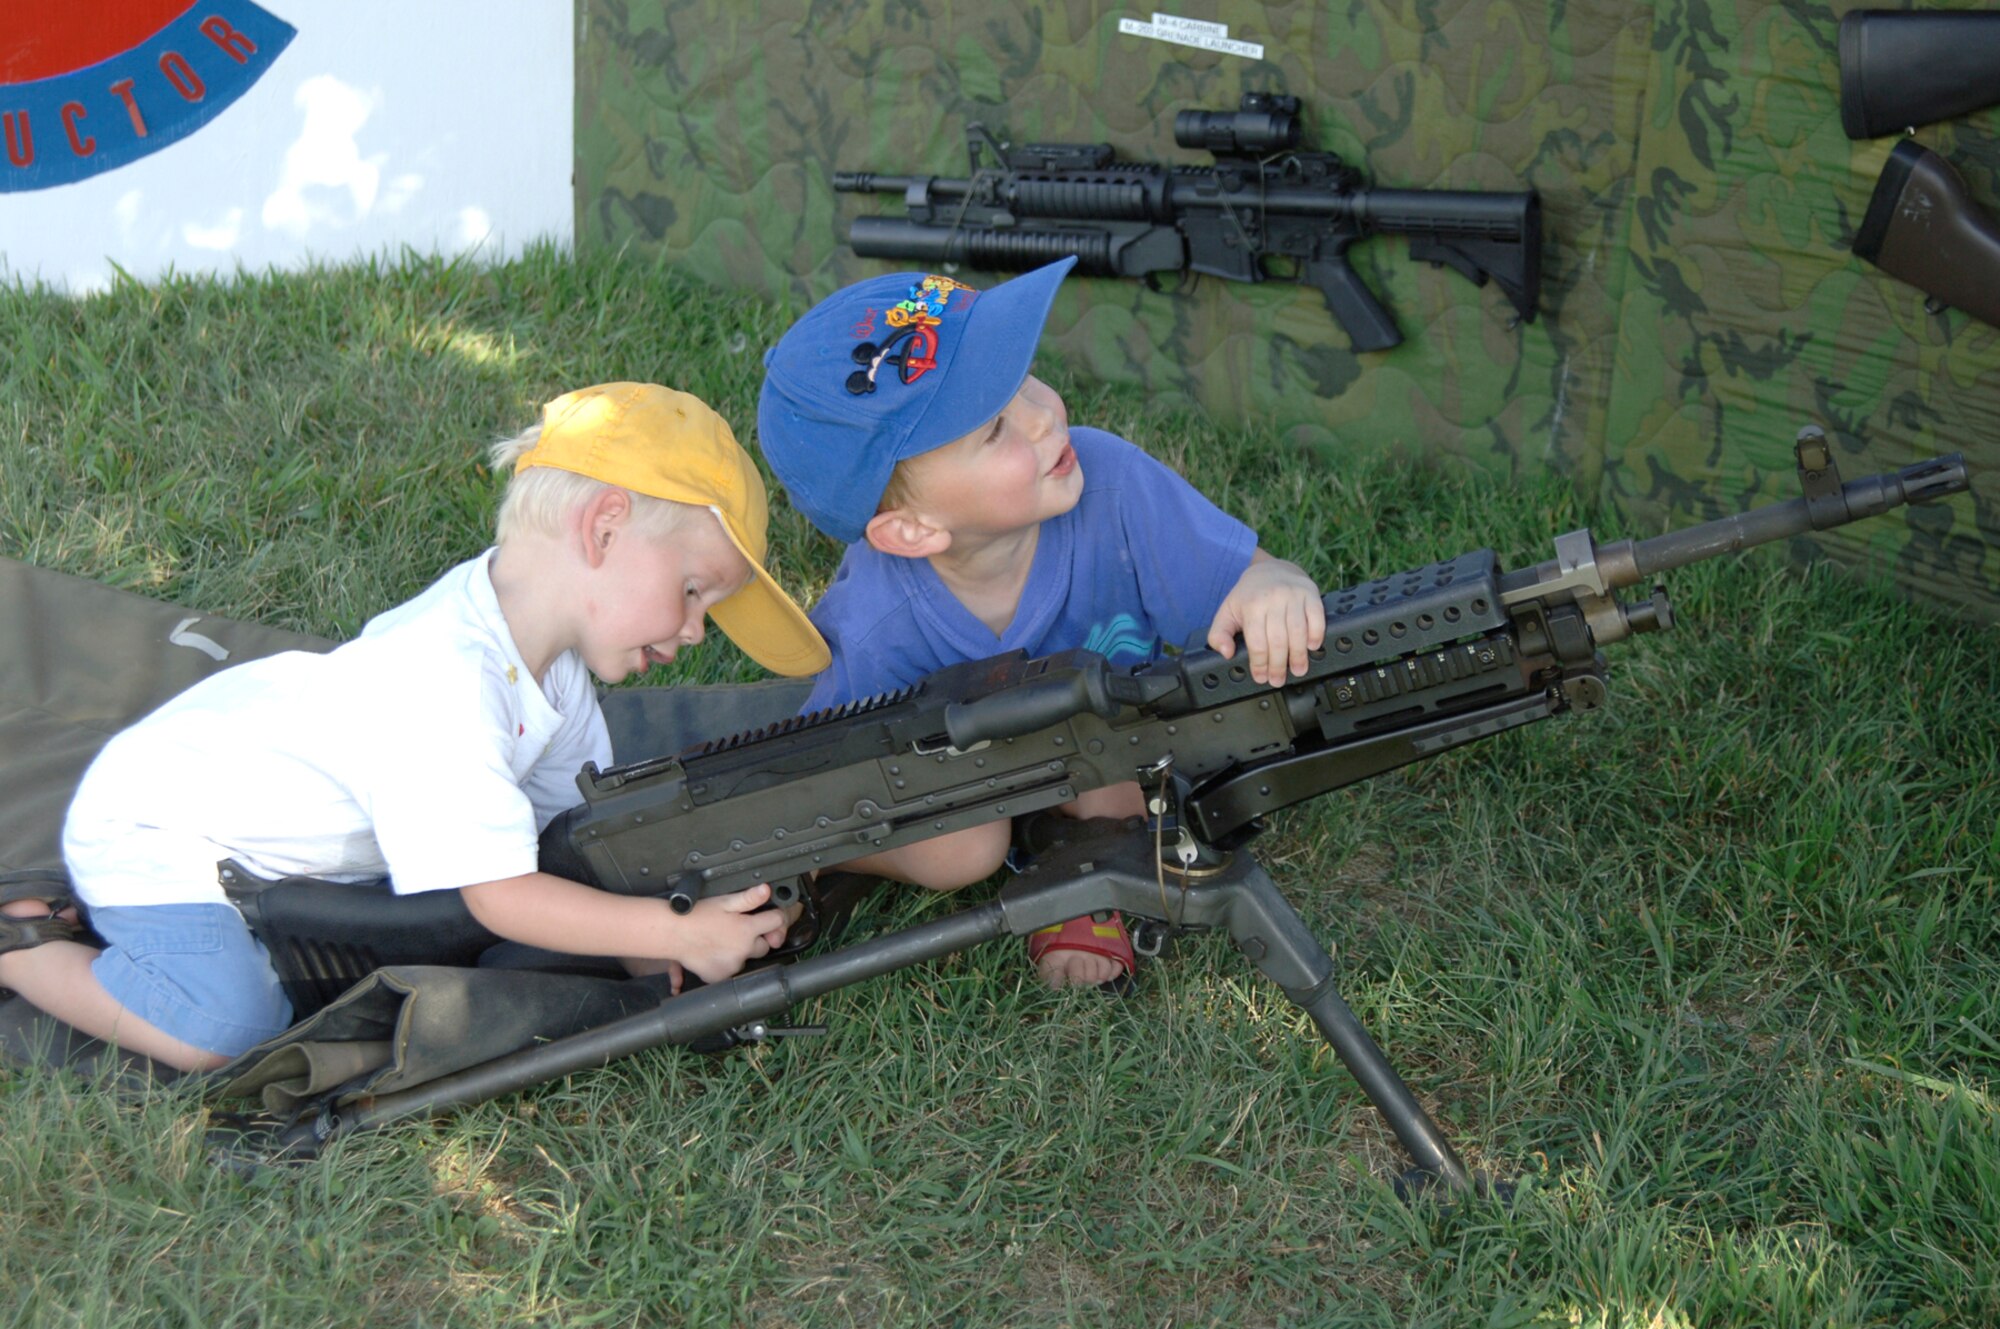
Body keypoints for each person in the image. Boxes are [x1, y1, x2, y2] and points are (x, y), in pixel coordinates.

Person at [0, 382, 830, 1072]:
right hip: (155, 824)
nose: (694, 631)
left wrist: (655, 941)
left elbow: (571, 834)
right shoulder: (447, 682)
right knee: (229, 1027)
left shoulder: (552, 667)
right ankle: (26, 945)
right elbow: (500, 895)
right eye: (693, 592)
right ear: (603, 527)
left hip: (239, 804)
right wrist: (662, 927)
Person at [758, 257, 1325, 990]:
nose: (1043, 413)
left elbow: (1240, 577)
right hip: (964, 797)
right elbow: (817, 774)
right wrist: (814, 847)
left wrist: (1270, 581)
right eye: (996, 428)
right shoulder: (875, 624)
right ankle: (851, 863)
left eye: (1023, 378)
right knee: (962, 851)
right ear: (914, 530)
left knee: (1122, 771)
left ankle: (1078, 869)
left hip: (1109, 758)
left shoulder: (1111, 482)